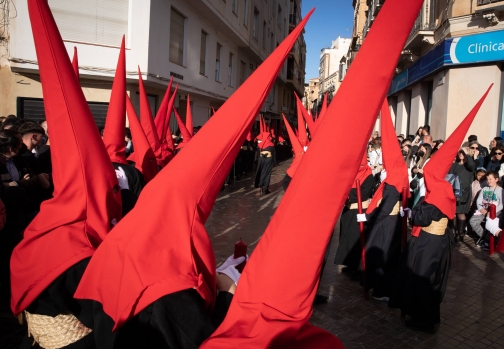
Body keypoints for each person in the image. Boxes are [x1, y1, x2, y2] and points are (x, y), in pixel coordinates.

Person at [389, 85, 492, 334]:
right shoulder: (442, 192)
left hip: (430, 244)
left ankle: (425, 321)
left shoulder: (436, 198)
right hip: (436, 243)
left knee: (425, 282)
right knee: (429, 281)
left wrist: (416, 208)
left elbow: (422, 217)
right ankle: (427, 316)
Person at [358, 101, 409, 301]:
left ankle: (381, 290)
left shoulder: (394, 176)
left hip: (387, 223)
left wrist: (368, 216)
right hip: (391, 221)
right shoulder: (398, 171)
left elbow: (387, 204)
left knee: (382, 256)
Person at [334, 153, 374, 276]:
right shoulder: (352, 171)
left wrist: (348, 192)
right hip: (348, 209)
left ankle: (357, 268)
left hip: (359, 210)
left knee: (355, 240)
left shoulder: (368, 175)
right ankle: (349, 264)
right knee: (346, 238)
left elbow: (364, 193)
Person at [469, 170, 502, 250]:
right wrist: (480, 209)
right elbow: (479, 200)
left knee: (492, 224)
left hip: (496, 211)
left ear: (496, 179)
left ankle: (487, 241)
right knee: (473, 221)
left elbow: (502, 204)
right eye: (487, 179)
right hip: (484, 210)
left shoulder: (500, 190)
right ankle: (484, 238)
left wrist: (492, 212)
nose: (488, 181)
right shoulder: (484, 189)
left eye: (490, 179)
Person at [448, 148, 475, 241]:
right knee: (452, 212)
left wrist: (467, 153)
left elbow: (471, 165)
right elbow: (449, 176)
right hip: (453, 191)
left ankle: (460, 234)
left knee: (460, 212)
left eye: (463, 153)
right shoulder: (455, 165)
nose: (461, 154)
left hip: (464, 191)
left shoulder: (469, 166)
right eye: (460, 152)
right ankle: (452, 232)